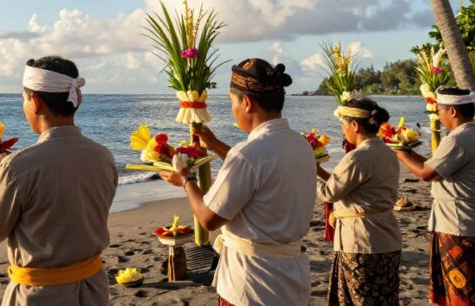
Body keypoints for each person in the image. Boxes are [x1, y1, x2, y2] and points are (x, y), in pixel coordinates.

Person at [0, 56, 117, 305]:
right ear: (77, 99)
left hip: (40, 295)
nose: (23, 106)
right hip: (93, 289)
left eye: (23, 98)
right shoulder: (103, 156)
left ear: (35, 102)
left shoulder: (18, 166)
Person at [159, 58, 315, 306]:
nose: (232, 109)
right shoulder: (300, 145)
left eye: (232, 102)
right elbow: (261, 173)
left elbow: (209, 219)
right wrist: (217, 146)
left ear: (247, 102)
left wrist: (186, 178)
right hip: (292, 278)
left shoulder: (248, 154)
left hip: (252, 283)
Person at [395, 87, 475, 306]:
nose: (438, 116)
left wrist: (401, 155)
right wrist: (410, 151)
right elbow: (437, 165)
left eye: (439, 110)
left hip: (460, 222)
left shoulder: (458, 139)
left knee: (463, 286)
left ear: (452, 111)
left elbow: (426, 174)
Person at [317, 97, 402, 305]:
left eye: (343, 124)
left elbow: (329, 193)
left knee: (360, 299)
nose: (343, 130)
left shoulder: (357, 157)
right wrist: (318, 170)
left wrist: (307, 173)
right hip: (386, 236)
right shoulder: (387, 152)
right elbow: (350, 185)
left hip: (361, 240)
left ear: (355, 125)